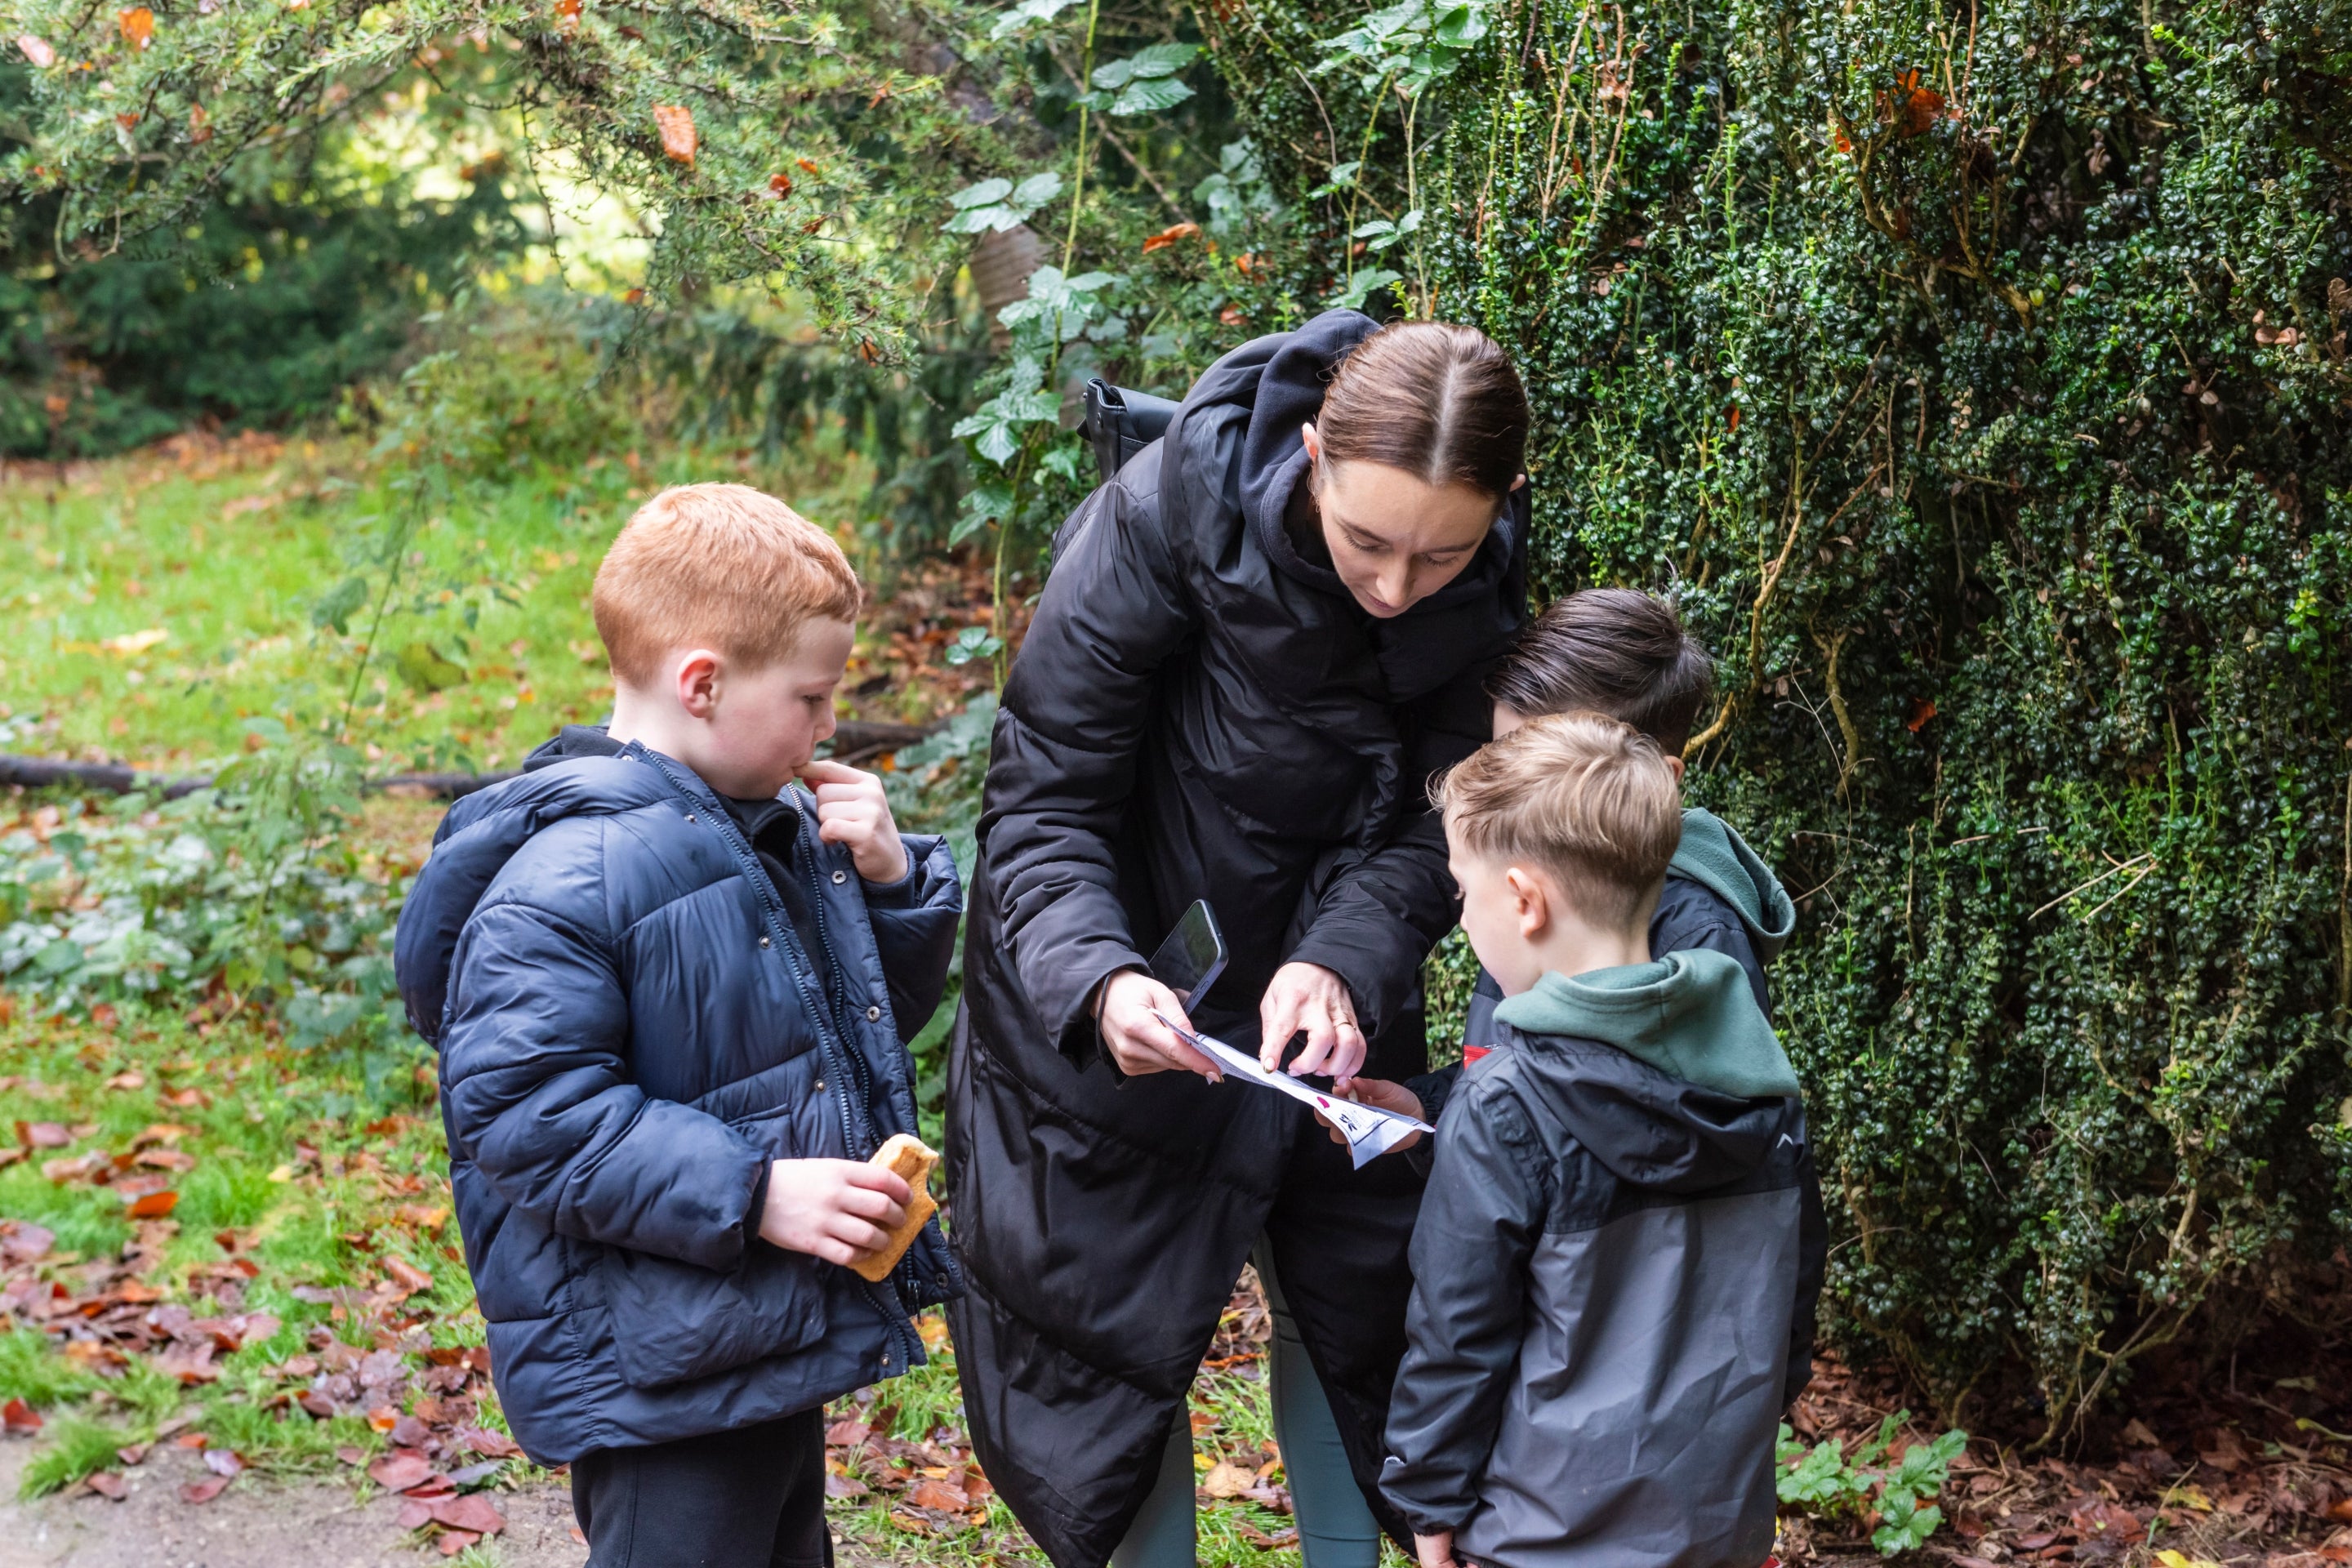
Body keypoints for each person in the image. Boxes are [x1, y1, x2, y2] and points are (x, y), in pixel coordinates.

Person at [946, 310, 1531, 1568]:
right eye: (1365, 540)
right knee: (1102, 1348)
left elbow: (1451, 827)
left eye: (1438, 557)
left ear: (1501, 506)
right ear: (1312, 449)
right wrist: (1098, 984)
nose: (1391, 587)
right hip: (1101, 983)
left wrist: (1342, 960)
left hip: (1330, 1001)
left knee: (1353, 1304)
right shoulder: (1159, 520)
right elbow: (1043, 803)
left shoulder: (1484, 592)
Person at [393, 483, 964, 1568]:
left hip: (756, 1328)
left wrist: (891, 885)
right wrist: (756, 1191)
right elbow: (529, 1116)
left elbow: (855, 1021)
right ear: (703, 684)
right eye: (813, 696)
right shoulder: (570, 873)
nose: (831, 726)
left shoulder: (767, 827)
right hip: (653, 1366)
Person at [1379, 713, 1824, 1568]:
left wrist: (1427, 1507)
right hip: (1717, 1521)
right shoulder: (1759, 1072)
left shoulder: (1504, 1104)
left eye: (1462, 894)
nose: (1464, 920)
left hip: (1541, 1536)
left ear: (1524, 899)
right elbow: (1794, 1293)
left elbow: (1456, 1339)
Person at [1346, 587, 1800, 1137]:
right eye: (1497, 760)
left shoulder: (1699, 930)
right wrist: (1433, 1109)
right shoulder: (1535, 876)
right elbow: (1532, 1062)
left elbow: (1670, 1136)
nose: (1501, 799)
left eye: (1534, 781)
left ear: (1661, 779)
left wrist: (1492, 1138)